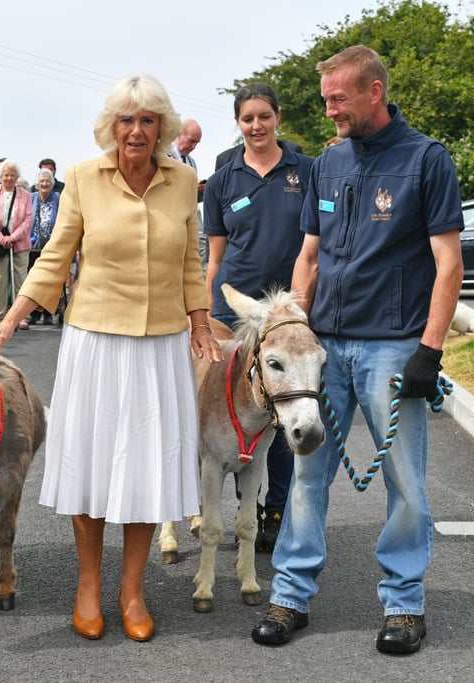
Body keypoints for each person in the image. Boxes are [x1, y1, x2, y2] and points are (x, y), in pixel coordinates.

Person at [0, 74, 223, 643]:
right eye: (126, 120)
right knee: (89, 463)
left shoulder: (184, 181)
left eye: (148, 120)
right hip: (95, 340)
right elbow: (56, 255)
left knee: (147, 468)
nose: (136, 130)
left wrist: (201, 323)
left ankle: (131, 590)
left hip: (161, 345)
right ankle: (89, 584)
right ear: (110, 126)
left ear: (162, 127)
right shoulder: (85, 177)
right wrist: (10, 320)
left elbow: (190, 261)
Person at [250, 45, 464, 655]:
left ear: (374, 91)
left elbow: (449, 263)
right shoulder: (330, 163)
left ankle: (403, 605)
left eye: (338, 99)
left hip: (393, 349)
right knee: (307, 473)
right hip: (325, 350)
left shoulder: (426, 161)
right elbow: (310, 255)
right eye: (324, 100)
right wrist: (289, 323)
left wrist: (430, 350)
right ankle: (290, 595)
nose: (329, 110)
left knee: (403, 480)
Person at [202, 83, 315, 554]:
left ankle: (276, 510)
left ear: (277, 117)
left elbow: (316, 245)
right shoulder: (224, 179)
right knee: (239, 413)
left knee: (285, 412)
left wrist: (304, 305)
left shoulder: (306, 170)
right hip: (236, 308)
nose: (256, 126)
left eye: (264, 116)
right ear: (238, 122)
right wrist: (208, 314)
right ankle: (246, 502)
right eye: (247, 118)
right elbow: (215, 255)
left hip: (290, 310)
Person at [0, 159, 32, 329]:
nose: (9, 178)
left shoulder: (25, 195)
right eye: (6, 175)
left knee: (21, 280)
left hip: (20, 243)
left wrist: (13, 237)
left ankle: (21, 317)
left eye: (12, 175)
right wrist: (0, 237)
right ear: (0, 176)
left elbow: (28, 219)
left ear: (17, 177)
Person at [169, 118, 208, 274]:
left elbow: (192, 197)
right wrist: (191, 188)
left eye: (197, 143)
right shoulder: (163, 156)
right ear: (180, 134)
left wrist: (201, 190)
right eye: (192, 141)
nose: (193, 147)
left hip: (191, 215)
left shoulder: (192, 162)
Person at [25, 167, 60, 325]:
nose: (44, 183)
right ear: (37, 183)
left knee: (48, 281)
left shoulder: (58, 198)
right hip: (32, 245)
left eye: (47, 181)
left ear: (52, 184)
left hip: (51, 245)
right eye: (41, 181)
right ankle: (33, 313)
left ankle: (47, 313)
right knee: (33, 280)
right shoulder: (31, 197)